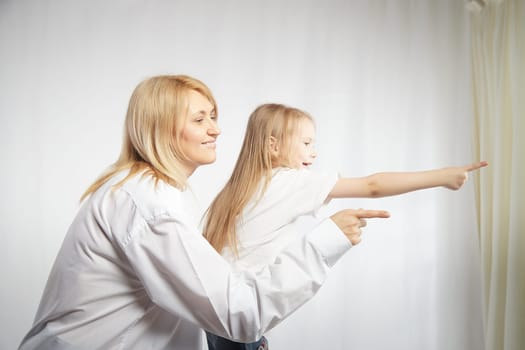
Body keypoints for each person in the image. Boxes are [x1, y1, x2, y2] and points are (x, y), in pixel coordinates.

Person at [18, 75, 390, 350]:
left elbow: (191, 303)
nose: (216, 129)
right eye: (200, 120)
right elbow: (238, 313)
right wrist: (327, 241)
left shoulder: (150, 193)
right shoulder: (149, 207)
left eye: (213, 116)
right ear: (160, 128)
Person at [203, 103, 488, 350]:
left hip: (216, 320)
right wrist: (442, 176)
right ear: (273, 145)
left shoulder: (233, 194)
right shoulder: (288, 181)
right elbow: (372, 185)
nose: (313, 154)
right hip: (242, 322)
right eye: (306, 143)